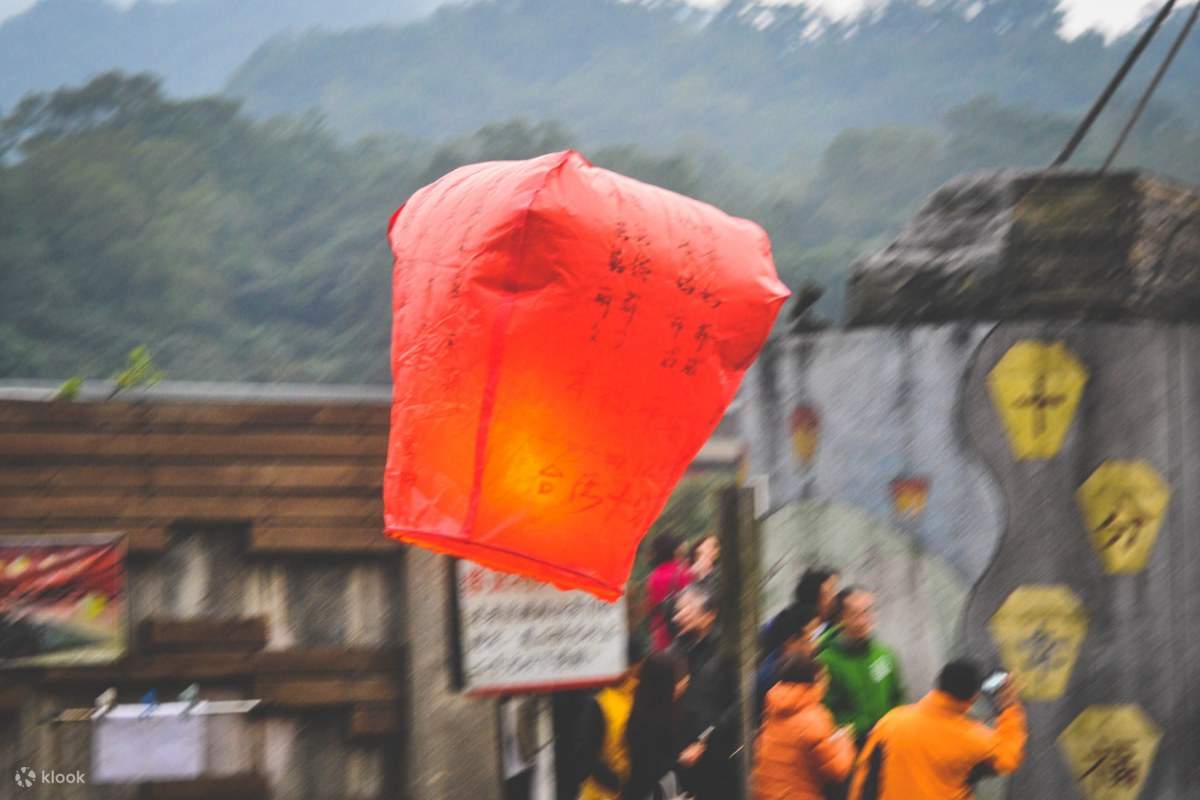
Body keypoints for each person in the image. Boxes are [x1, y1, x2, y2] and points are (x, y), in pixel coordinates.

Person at [849, 660, 1027, 800]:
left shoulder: (891, 721)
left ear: (939, 683)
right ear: (974, 695)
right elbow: (1008, 757)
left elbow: (864, 778)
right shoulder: (972, 737)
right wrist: (1009, 708)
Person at [753, 653, 856, 800]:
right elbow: (838, 769)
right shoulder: (813, 718)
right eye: (824, 676)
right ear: (814, 679)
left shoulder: (773, 711)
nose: (827, 681)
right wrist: (844, 740)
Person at [669, 586, 740, 800]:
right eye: (678, 611)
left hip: (718, 755)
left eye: (687, 610)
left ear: (710, 615)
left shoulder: (726, 652)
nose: (678, 617)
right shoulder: (675, 652)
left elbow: (738, 702)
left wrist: (704, 741)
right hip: (680, 755)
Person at [817, 587, 905, 746]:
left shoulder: (883, 655)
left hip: (887, 744)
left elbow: (898, 696)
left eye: (869, 611)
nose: (866, 619)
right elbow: (822, 713)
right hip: (849, 749)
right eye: (858, 613)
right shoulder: (826, 662)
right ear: (841, 619)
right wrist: (860, 729)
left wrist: (896, 726)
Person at [575, 639, 648, 800]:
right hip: (603, 792)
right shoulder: (600, 700)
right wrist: (617, 784)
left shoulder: (641, 695)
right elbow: (587, 755)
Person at [623, 651, 689, 800]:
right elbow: (651, 766)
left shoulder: (645, 707)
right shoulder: (647, 719)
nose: (683, 683)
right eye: (676, 679)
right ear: (664, 683)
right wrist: (681, 759)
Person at [753, 603, 822, 724]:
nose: (815, 645)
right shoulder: (772, 677)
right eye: (811, 638)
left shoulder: (799, 664)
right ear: (792, 642)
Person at [758, 567, 839, 662]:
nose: (835, 597)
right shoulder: (790, 622)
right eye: (830, 590)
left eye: (835, 589)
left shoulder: (834, 626)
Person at [645, 534, 692, 651]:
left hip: (661, 633)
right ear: (674, 550)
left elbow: (651, 606)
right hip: (684, 630)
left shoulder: (653, 577)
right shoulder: (684, 572)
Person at [688, 534, 721, 599]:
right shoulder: (685, 566)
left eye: (716, 546)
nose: (716, 550)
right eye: (712, 546)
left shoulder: (717, 572)